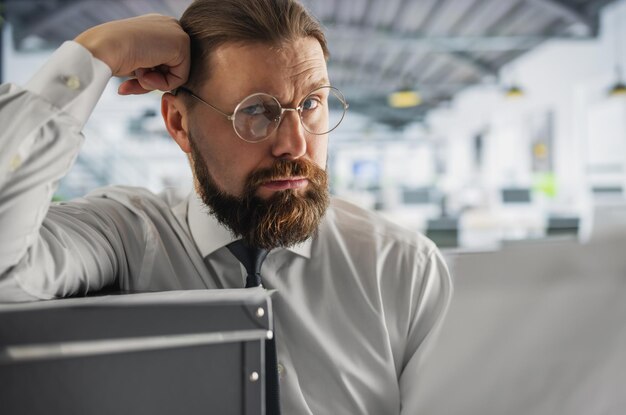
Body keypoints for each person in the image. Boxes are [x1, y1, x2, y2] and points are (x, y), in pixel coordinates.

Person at [0, 0, 452, 413]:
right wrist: (97, 51)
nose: (295, 144)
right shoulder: (126, 238)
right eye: (257, 111)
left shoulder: (402, 270)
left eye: (311, 103)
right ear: (179, 123)